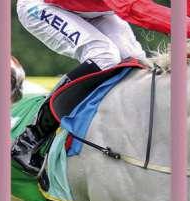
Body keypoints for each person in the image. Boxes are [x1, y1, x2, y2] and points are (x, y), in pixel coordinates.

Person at [12, 0, 190, 176]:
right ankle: (31, 137)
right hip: (43, 5)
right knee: (104, 56)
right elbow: (131, 7)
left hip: (97, 10)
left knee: (136, 62)